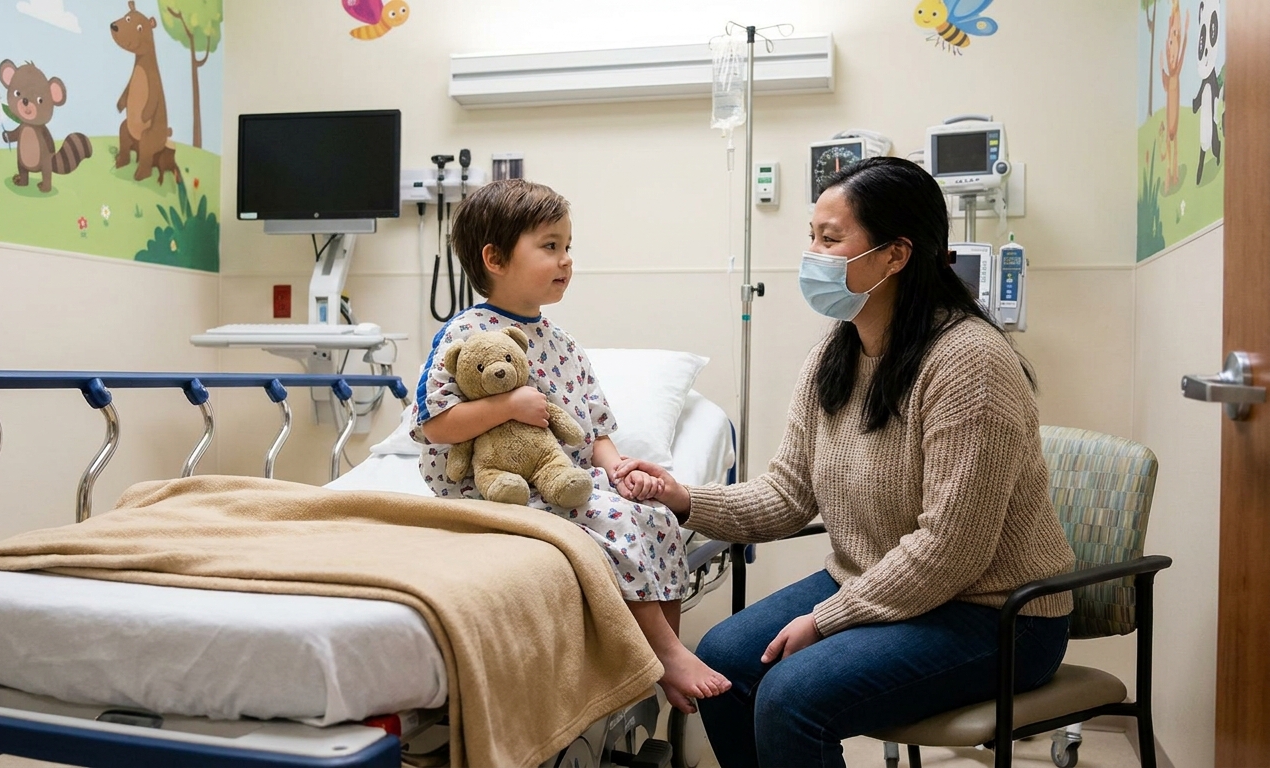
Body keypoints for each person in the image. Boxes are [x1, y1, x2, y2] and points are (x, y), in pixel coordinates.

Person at [613, 157, 1076, 767]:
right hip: (879, 583)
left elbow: (950, 550)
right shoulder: (837, 354)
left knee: (791, 696)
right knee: (724, 658)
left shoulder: (970, 364)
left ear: (895, 255)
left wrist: (827, 620)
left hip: (994, 613)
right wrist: (682, 497)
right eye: (812, 236)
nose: (813, 254)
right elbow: (787, 493)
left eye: (831, 240)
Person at [411, 178, 731, 713]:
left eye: (568, 247)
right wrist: (507, 407)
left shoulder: (563, 345)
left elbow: (594, 430)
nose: (566, 260)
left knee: (653, 517)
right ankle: (669, 657)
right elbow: (436, 425)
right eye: (550, 246)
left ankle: (654, 661)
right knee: (615, 520)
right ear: (494, 258)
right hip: (494, 487)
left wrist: (621, 469)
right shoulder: (464, 334)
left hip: (565, 474)